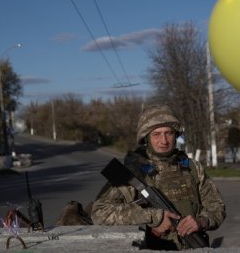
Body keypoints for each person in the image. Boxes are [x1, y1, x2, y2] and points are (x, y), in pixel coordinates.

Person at [91, 105, 226, 250]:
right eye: (156, 134)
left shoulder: (192, 167)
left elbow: (217, 207)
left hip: (194, 246)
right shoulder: (133, 173)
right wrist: (154, 217)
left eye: (169, 133)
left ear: (176, 135)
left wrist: (201, 221)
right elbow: (100, 213)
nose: (164, 140)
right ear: (146, 138)